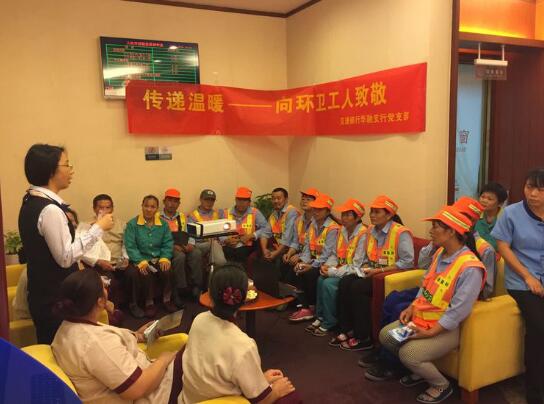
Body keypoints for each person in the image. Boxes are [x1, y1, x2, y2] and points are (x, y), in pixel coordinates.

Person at [370, 206, 485, 404]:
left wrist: (431, 333)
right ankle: (419, 372)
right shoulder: (440, 254)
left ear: (451, 232)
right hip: (422, 319)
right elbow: (426, 287)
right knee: (386, 336)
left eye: (435, 227)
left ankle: (441, 385)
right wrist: (411, 307)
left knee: (408, 353)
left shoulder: (470, 268)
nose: (430, 231)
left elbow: (458, 311)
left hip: (447, 328)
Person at [18, 144, 114, 343]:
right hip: (53, 299)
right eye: (67, 164)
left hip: (43, 292)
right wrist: (99, 228)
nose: (71, 170)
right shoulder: (50, 210)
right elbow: (65, 257)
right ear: (51, 171)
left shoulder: (31, 200)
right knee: (61, 349)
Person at [51, 269, 181, 404]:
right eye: (104, 286)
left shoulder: (68, 327)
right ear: (100, 301)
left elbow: (111, 349)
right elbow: (137, 388)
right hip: (157, 394)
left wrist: (138, 335)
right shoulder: (95, 343)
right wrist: (164, 359)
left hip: (152, 375)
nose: (107, 289)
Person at [181, 264, 300, 404]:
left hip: (190, 398)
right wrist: (277, 391)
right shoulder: (244, 345)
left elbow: (214, 370)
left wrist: (260, 379)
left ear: (210, 293)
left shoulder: (199, 319)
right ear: (244, 298)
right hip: (220, 400)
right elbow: (262, 400)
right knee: (291, 396)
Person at [333, 195, 414, 351]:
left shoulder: (401, 232)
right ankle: (347, 329)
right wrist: (363, 267)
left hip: (389, 275)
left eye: (377, 212)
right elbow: (366, 255)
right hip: (371, 271)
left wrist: (380, 270)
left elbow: (407, 262)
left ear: (389, 215)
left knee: (358, 287)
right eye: (372, 212)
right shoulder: (370, 230)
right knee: (345, 282)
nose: (372, 215)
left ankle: (364, 337)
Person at [491, 168, 544, 404]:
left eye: (540, 190)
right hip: (521, 281)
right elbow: (503, 247)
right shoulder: (511, 213)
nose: (533, 194)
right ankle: (535, 392)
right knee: (539, 327)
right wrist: (528, 277)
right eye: (529, 187)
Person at [306, 198, 367, 336]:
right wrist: (327, 265)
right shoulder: (342, 230)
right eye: (343, 214)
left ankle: (330, 322)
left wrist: (332, 272)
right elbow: (334, 253)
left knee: (328, 283)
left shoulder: (363, 234)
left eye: (348, 215)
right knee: (320, 279)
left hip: (354, 272)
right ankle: (320, 316)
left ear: (357, 218)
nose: (343, 218)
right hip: (340, 268)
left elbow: (356, 264)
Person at [288, 194, 340, 322]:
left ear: (327, 212)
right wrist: (302, 261)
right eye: (315, 209)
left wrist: (311, 266)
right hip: (314, 260)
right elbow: (307, 248)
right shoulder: (313, 224)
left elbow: (327, 254)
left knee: (310, 273)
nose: (315, 212)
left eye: (319, 210)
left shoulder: (333, 228)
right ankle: (304, 306)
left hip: (327, 263)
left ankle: (311, 307)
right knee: (298, 268)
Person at [124, 195, 177, 319]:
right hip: (141, 259)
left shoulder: (163, 225)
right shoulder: (132, 224)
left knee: (167, 270)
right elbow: (130, 246)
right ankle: (149, 303)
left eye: (152, 207)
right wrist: (140, 261)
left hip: (158, 258)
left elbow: (168, 243)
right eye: (146, 206)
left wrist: (165, 258)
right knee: (145, 272)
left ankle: (167, 299)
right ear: (142, 206)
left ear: (157, 209)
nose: (149, 209)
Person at [161, 188, 203, 301]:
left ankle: (197, 286)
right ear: (164, 202)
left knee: (196, 253)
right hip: (167, 247)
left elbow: (191, 233)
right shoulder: (157, 217)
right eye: (169, 200)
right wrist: (172, 246)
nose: (172, 204)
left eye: (175, 201)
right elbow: (156, 238)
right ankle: (180, 289)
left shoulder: (183, 217)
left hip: (183, 244)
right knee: (179, 256)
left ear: (179, 204)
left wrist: (191, 244)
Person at [453, 196, 498, 298]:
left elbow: (486, 290)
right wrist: (434, 244)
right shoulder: (446, 237)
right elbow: (423, 264)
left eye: (457, 215)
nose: (452, 218)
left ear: (472, 221)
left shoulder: (485, 250)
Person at [222, 187, 270, 265]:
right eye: (239, 200)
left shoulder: (255, 212)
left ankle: (240, 272)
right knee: (226, 256)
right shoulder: (226, 213)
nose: (241, 203)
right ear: (235, 200)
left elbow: (266, 228)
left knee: (240, 254)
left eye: (245, 200)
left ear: (249, 202)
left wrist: (252, 235)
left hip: (247, 245)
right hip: (229, 245)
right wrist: (225, 240)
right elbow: (219, 231)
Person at [282, 188, 320, 282]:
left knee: (294, 269)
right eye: (303, 199)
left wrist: (300, 257)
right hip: (301, 252)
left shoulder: (318, 222)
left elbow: (311, 246)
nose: (304, 201)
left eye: (308, 199)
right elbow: (295, 242)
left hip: (313, 256)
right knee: (284, 262)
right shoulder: (298, 220)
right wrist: (289, 253)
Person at [187, 188, 227, 269]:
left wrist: (225, 240)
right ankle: (222, 266)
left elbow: (223, 231)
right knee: (215, 246)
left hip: (215, 244)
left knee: (215, 245)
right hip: (199, 244)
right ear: (201, 199)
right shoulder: (192, 216)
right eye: (206, 199)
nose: (209, 202)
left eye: (212, 200)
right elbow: (191, 237)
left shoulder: (218, 214)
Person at [262, 187, 299, 263]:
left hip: (292, 248)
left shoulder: (291, 212)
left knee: (276, 260)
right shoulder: (273, 214)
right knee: (261, 256)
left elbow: (287, 238)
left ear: (286, 199)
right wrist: (264, 250)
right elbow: (265, 234)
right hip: (280, 247)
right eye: (273, 198)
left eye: (279, 198)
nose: (275, 201)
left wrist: (275, 253)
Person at [475, 181, 508, 250]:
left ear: (500, 203)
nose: (484, 201)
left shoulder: (506, 218)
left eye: (489, 199)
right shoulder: (474, 214)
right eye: (482, 197)